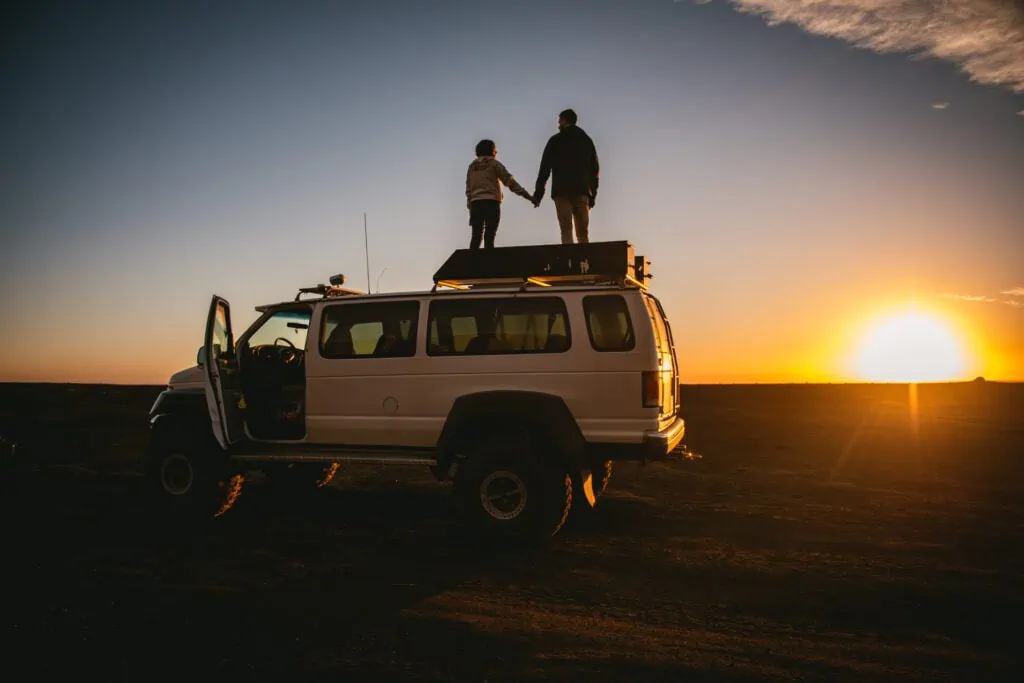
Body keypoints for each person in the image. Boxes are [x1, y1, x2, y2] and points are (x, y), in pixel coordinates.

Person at [532, 109, 600, 244]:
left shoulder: (555, 141)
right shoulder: (586, 140)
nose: (558, 123)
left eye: (559, 120)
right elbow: (594, 170)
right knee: (583, 234)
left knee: (566, 231)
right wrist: (592, 194)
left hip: (561, 191)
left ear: (564, 120)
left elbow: (545, 168)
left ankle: (569, 261)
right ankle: (584, 262)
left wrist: (538, 194)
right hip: (582, 190)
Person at [465, 139, 534, 249]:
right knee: (490, 235)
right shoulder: (494, 164)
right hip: (491, 202)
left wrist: (470, 207)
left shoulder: (472, 167)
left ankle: (472, 264)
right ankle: (489, 262)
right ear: (491, 151)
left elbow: (468, 189)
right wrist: (528, 196)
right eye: (495, 150)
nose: (496, 153)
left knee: (476, 236)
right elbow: (510, 182)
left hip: (475, 204)